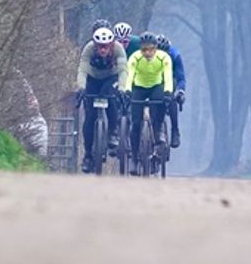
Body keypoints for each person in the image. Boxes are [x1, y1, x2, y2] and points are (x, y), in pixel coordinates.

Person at [74, 26, 127, 172]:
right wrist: (81, 88)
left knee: (110, 97)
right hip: (93, 78)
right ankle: (88, 155)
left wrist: (122, 89)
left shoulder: (118, 49)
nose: (103, 50)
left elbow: (123, 70)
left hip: (111, 77)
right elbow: (82, 70)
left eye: (105, 47)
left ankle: (112, 133)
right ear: (95, 45)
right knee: (90, 118)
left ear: (111, 45)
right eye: (100, 47)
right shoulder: (88, 49)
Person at [122, 31, 174, 174]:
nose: (148, 53)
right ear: (140, 49)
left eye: (151, 49)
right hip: (139, 87)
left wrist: (168, 92)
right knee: (136, 123)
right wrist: (127, 91)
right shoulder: (134, 58)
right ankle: (134, 158)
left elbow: (168, 77)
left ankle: (158, 133)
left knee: (160, 105)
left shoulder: (164, 58)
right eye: (144, 49)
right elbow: (130, 75)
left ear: (156, 48)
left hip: (156, 86)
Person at [155, 35, 187, 150]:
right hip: (152, 81)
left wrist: (181, 91)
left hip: (169, 80)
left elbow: (180, 77)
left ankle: (175, 130)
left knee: (171, 99)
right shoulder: (146, 55)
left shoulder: (175, 55)